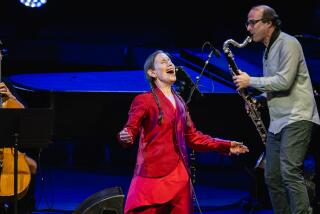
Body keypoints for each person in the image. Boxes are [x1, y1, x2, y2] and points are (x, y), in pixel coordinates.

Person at [118, 50, 249, 214]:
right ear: (152, 72)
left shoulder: (180, 102)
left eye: (170, 61)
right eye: (164, 62)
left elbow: (193, 137)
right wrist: (126, 136)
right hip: (153, 176)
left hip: (179, 176)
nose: (170, 64)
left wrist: (224, 145)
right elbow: (130, 129)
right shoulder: (144, 100)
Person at [233, 5, 320, 214]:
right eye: (248, 23)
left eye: (253, 22)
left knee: (290, 171)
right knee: (271, 175)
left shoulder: (288, 43)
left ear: (269, 23)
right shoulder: (267, 52)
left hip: (298, 117)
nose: (248, 28)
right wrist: (258, 101)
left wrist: (250, 80)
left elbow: (284, 81)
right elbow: (273, 87)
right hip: (278, 122)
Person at [0, 81, 38, 214]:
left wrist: (11, 98)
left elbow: (24, 117)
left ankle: (23, 211)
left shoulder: (4, 84)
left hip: (6, 150)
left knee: (32, 166)